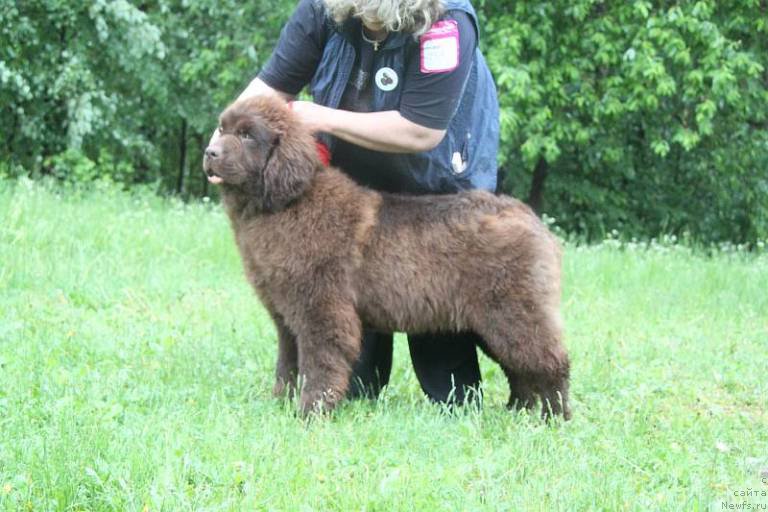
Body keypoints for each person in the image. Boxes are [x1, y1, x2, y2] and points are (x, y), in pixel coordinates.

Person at [216, 0, 500, 404]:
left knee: (436, 317)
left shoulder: (447, 22)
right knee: (352, 345)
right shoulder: (322, 9)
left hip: (435, 178)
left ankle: (454, 396)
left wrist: (323, 117)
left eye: (374, 15)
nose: (365, 20)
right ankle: (353, 385)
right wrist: (223, 137)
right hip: (356, 177)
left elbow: (421, 131)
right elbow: (271, 86)